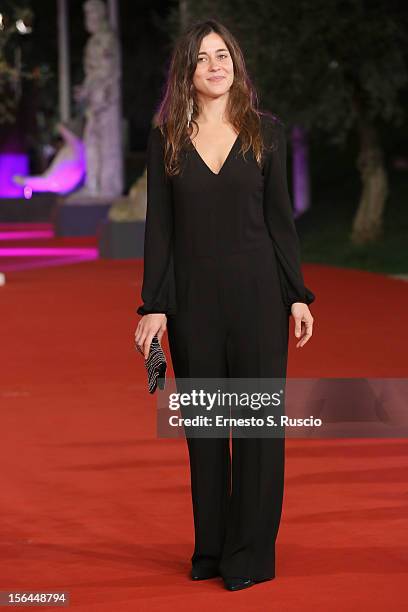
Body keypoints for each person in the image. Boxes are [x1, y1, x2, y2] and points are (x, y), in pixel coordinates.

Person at [134, 19, 315, 592]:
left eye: (225, 55)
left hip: (259, 297)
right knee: (208, 431)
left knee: (258, 428)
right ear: (186, 69)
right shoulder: (165, 137)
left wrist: (297, 295)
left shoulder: (266, 133)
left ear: (236, 65)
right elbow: (158, 231)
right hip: (192, 305)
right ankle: (211, 548)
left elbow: (280, 224)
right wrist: (154, 306)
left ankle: (250, 554)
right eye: (204, 57)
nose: (217, 66)